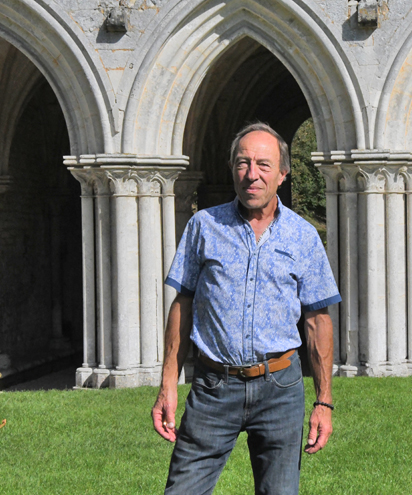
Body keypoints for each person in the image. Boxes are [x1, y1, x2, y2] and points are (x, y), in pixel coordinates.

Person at [152, 122, 341, 495]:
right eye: (243, 163)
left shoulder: (303, 236)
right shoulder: (203, 226)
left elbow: (318, 321)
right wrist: (168, 385)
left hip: (280, 388)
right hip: (212, 386)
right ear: (233, 169)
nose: (251, 175)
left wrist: (324, 401)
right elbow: (183, 304)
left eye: (263, 165)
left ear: (283, 174)